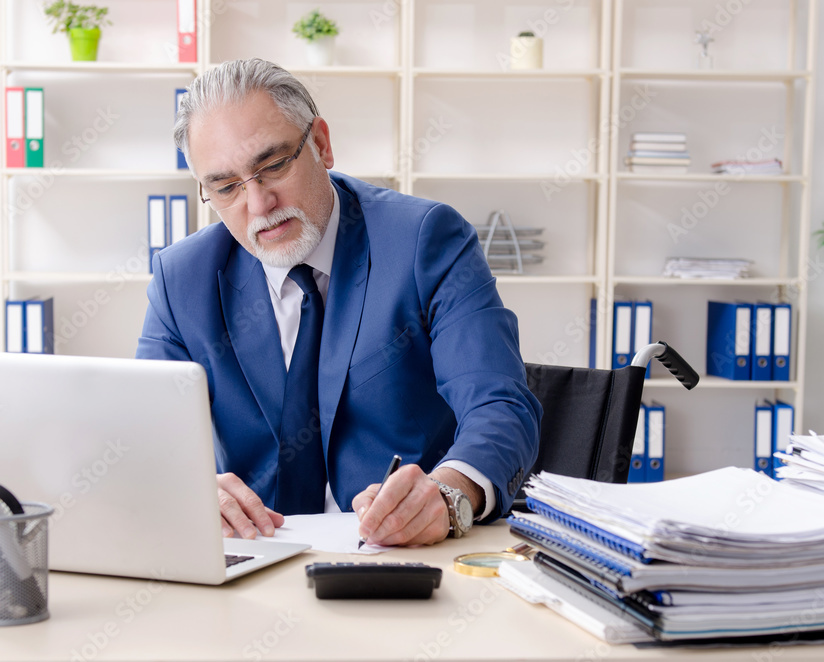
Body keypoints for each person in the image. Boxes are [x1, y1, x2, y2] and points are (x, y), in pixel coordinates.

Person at [136, 58, 541, 547]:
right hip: (250, 560)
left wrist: (448, 494)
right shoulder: (183, 279)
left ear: (321, 144)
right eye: (226, 186)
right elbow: (148, 440)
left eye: (273, 165)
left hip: (401, 557)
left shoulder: (424, 241)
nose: (259, 204)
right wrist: (191, 490)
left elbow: (499, 405)